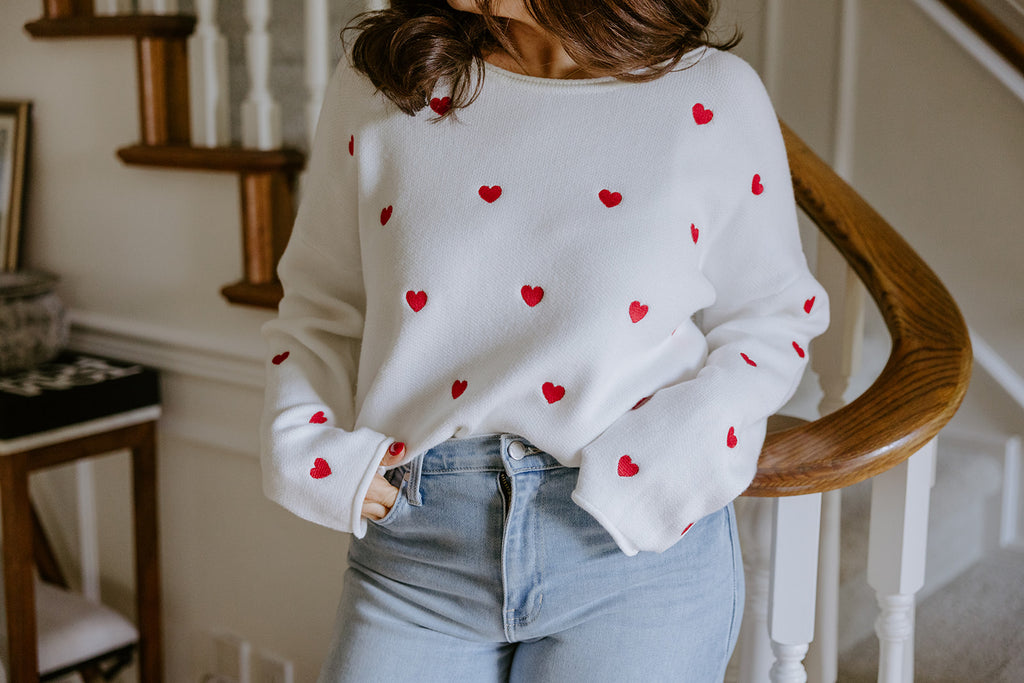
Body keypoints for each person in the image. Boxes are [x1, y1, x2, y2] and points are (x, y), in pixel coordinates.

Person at [260, 0, 829, 680]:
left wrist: (670, 457)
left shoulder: (712, 94)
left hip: (627, 553)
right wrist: (305, 442)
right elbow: (323, 302)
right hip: (418, 553)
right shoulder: (387, 81)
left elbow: (774, 318)